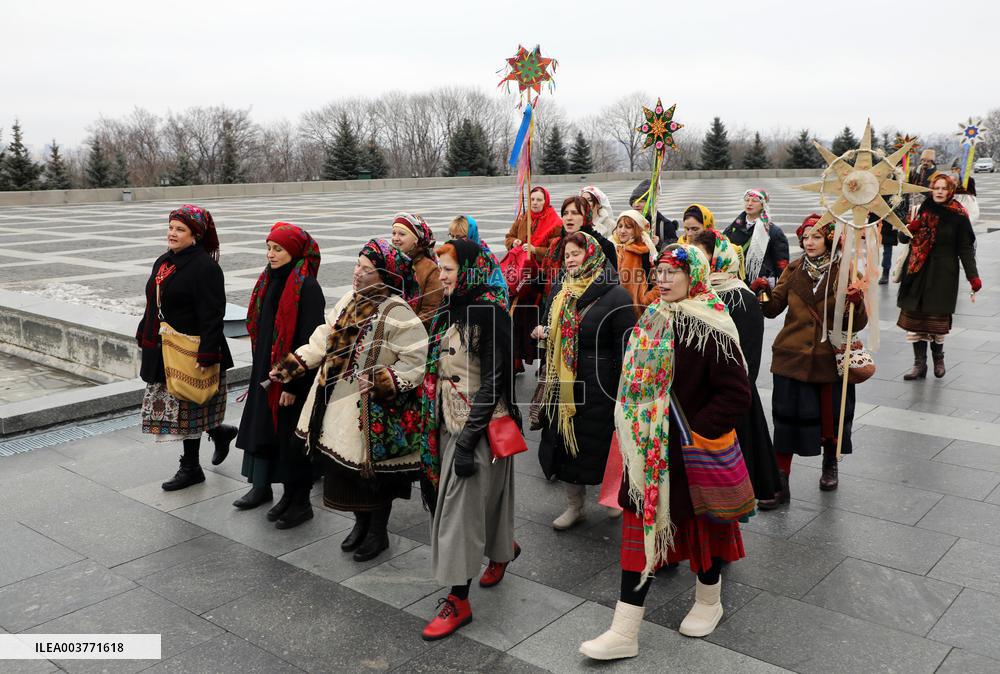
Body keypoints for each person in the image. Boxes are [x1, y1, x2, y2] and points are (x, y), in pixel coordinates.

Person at [579, 244, 751, 660]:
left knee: (702, 531)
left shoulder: (713, 324)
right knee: (639, 537)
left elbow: (736, 395)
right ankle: (625, 631)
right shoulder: (652, 317)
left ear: (695, 275)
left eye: (673, 272)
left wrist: (689, 433)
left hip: (687, 454)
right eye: (659, 271)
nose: (662, 279)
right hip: (646, 453)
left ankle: (709, 600)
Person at [271, 239, 429, 562]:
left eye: (366, 269)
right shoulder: (348, 300)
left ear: (384, 275)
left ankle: (377, 532)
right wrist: (293, 365)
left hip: (373, 410)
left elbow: (416, 361)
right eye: (357, 265)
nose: (357, 273)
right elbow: (323, 337)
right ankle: (360, 524)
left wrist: (384, 379)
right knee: (346, 472)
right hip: (336, 404)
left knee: (373, 477)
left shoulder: (399, 312)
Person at [419, 238, 520, 641]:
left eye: (448, 269)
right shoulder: (453, 306)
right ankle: (502, 551)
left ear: (470, 270)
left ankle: (458, 599)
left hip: (478, 428)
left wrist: (466, 440)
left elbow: (495, 381)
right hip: (449, 419)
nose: (441, 276)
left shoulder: (487, 312)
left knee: (459, 515)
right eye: (440, 269)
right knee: (486, 503)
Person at [754, 214, 867, 502]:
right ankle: (781, 480)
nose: (809, 242)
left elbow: (859, 322)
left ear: (829, 239)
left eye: (816, 237)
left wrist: (856, 303)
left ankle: (830, 464)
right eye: (805, 237)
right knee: (785, 421)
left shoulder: (845, 271)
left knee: (830, 419)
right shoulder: (793, 269)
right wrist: (764, 293)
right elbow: (773, 308)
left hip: (827, 359)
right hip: (791, 356)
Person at [534, 232, 636, 529]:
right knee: (566, 444)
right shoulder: (560, 289)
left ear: (591, 255)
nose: (570, 260)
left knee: (602, 442)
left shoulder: (616, 294)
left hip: (600, 384)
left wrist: (620, 387)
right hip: (563, 382)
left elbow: (626, 344)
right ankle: (574, 506)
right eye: (566, 255)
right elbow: (548, 323)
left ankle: (613, 496)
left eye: (576, 253)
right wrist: (543, 332)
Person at [137, 205, 236, 491]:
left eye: (180, 229)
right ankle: (219, 431)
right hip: (165, 347)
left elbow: (213, 314)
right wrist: (144, 333)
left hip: (191, 350)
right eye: (170, 228)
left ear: (195, 235)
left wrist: (206, 353)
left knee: (188, 406)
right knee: (185, 406)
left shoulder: (206, 267)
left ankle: (191, 467)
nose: (172, 233)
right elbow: (152, 303)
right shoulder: (164, 262)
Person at [234, 223, 325, 527]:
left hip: (292, 377)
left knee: (293, 442)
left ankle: (300, 502)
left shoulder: (307, 287)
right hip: (269, 372)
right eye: (269, 247)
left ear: (294, 252)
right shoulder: (269, 279)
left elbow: (308, 340)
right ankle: (287, 496)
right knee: (277, 438)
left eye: (278, 249)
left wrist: (293, 384)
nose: (271, 254)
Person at [690, 229, 780, 507]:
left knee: (737, 455)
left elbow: (749, 356)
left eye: (703, 255)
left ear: (718, 257)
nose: (698, 262)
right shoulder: (695, 292)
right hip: (698, 389)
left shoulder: (742, 297)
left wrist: (733, 390)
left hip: (730, 389)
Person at [897, 174, 981, 379]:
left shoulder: (958, 215)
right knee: (914, 320)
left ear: (950, 191)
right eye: (936, 188)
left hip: (943, 274)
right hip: (916, 272)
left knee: (937, 321)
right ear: (931, 189)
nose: (940, 192)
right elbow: (901, 238)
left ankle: (938, 359)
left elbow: (965, 248)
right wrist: (910, 228)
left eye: (944, 188)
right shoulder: (920, 209)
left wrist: (973, 276)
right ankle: (919, 364)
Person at [504, 186, 564, 372]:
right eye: (532, 200)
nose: (535, 203)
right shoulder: (523, 218)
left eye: (539, 200)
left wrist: (535, 250)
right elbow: (509, 236)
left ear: (545, 200)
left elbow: (556, 250)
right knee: (518, 319)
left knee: (540, 319)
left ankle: (544, 362)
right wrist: (513, 242)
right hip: (522, 277)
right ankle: (516, 360)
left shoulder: (555, 222)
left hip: (541, 278)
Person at [543, 196, 618, 289]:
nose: (569, 218)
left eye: (575, 213)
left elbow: (611, 283)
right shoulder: (556, 244)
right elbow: (543, 278)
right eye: (565, 213)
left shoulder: (603, 245)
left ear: (586, 217)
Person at [723, 189, 789, 287]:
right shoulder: (733, 228)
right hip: (736, 281)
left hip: (762, 283)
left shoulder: (772, 231)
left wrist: (781, 288)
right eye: (747, 200)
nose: (749, 203)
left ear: (763, 204)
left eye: (754, 200)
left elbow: (782, 264)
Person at [391, 212, 442, 328]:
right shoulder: (390, 263)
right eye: (394, 233)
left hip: (413, 336)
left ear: (416, 240)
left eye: (402, 234)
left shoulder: (430, 269)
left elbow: (430, 313)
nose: (395, 238)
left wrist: (402, 328)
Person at [611, 209, 659, 316]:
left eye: (628, 227)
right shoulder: (611, 248)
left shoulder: (644, 252)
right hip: (613, 311)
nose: (622, 231)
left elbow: (659, 284)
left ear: (637, 230)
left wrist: (645, 301)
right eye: (620, 226)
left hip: (636, 314)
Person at [629, 179, 678, 246]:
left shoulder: (665, 225)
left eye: (641, 201)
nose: (636, 205)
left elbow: (674, 249)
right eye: (633, 201)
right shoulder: (628, 223)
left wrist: (659, 243)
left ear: (651, 203)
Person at [950, 160, 979, 227]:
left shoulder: (969, 180)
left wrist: (965, 193)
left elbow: (973, 194)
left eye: (956, 169)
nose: (954, 170)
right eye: (952, 169)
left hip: (966, 204)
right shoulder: (949, 179)